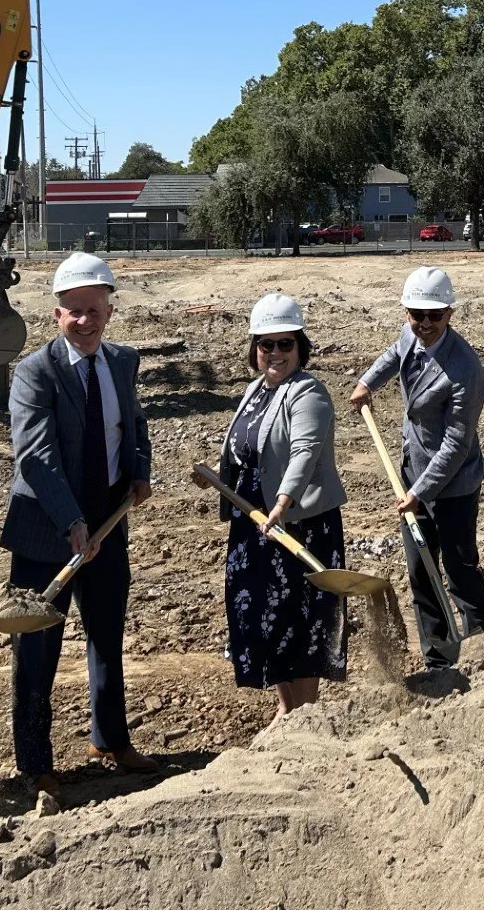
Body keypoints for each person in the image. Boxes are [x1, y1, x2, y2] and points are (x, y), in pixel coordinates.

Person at [1, 252, 156, 805]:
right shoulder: (34, 372)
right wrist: (71, 520)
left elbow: (133, 422)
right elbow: (35, 455)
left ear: (109, 310)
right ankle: (36, 762)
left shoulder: (122, 361)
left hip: (109, 522)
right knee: (38, 646)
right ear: (56, 314)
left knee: (107, 634)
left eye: (95, 310)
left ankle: (111, 739)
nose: (85, 322)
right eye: (74, 312)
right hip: (48, 529)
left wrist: (139, 470)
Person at [196, 293, 348, 724]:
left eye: (285, 343)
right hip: (254, 525)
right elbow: (243, 450)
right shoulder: (253, 391)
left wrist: (282, 502)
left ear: (300, 347)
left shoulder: (308, 393)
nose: (276, 353)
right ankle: (286, 708)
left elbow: (304, 452)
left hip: (298, 524)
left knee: (302, 618)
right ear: (254, 349)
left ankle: (305, 715)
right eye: (267, 344)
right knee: (265, 616)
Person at [350, 266, 484, 667]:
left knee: (459, 570)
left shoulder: (465, 368)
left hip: (452, 486)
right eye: (417, 315)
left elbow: (456, 443)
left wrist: (420, 494)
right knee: (420, 569)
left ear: (450, 313)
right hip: (413, 471)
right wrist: (367, 383)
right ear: (405, 312)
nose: (425, 324)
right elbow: (392, 355)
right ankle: (438, 659)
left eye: (435, 316)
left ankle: (481, 656)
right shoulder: (409, 336)